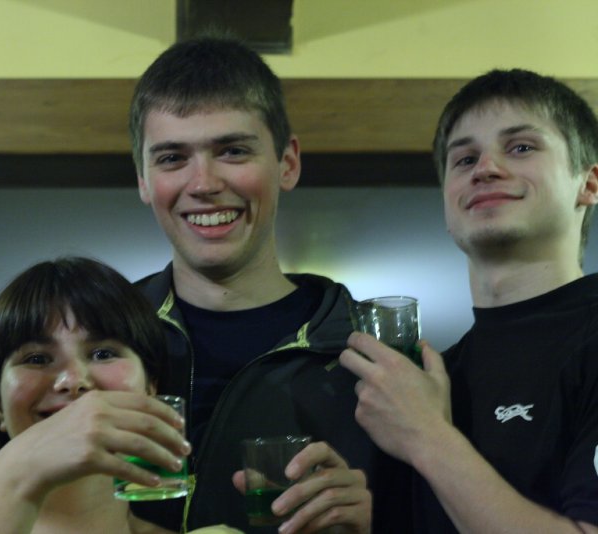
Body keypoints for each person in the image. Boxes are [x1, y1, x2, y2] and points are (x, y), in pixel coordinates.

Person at [130, 34, 412, 533]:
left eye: (233, 151)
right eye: (172, 158)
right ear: (143, 179)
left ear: (287, 163)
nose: (203, 183)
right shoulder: (95, 342)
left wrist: (380, 526)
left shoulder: (379, 358)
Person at [340, 69, 598, 533]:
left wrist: (427, 435)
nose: (485, 169)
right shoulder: (429, 378)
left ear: (590, 183)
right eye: (464, 159)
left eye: (521, 147)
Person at [0, 256, 242, 534]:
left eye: (103, 353)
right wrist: (20, 471)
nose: (73, 381)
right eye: (36, 358)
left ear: (151, 388)